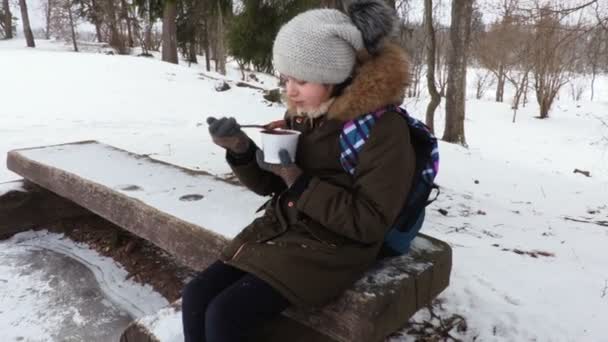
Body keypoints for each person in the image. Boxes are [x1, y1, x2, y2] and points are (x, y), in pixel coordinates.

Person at [181, 1, 415, 341]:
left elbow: (369, 222)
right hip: (284, 229)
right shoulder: (303, 114)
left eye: (302, 80)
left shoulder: (383, 129)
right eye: (287, 78)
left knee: (224, 314)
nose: (290, 90)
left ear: (338, 74)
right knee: (196, 295)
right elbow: (271, 186)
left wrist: (298, 180)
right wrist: (241, 150)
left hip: (334, 248)